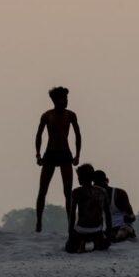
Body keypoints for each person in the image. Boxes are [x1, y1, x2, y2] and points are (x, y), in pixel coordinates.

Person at [35, 86, 81, 231]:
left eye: (67, 98)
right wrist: (38, 154)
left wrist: (77, 155)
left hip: (65, 154)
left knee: (68, 192)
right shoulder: (47, 115)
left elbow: (78, 135)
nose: (66, 101)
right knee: (43, 190)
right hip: (50, 153)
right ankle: (39, 223)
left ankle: (70, 223)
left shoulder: (70, 115)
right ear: (56, 100)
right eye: (63, 99)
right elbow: (39, 135)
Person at [66, 163, 112, 253]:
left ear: (81, 178)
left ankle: (82, 243)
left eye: (79, 177)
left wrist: (70, 233)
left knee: (69, 247)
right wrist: (108, 232)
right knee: (105, 244)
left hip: (81, 229)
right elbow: (107, 214)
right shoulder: (102, 191)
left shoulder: (76, 192)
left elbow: (72, 215)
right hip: (96, 230)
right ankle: (91, 245)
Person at [94, 170, 136, 242]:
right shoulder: (95, 197)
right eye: (97, 185)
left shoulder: (119, 193)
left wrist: (129, 218)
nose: (100, 187)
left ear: (107, 181)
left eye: (101, 184)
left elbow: (132, 217)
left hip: (123, 227)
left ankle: (115, 237)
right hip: (109, 229)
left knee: (122, 233)